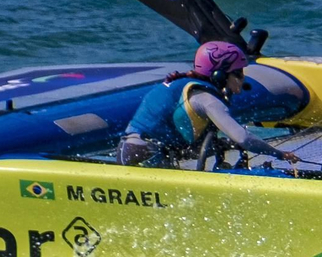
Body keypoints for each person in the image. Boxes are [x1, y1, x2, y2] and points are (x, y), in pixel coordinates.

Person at [120, 40, 299, 167]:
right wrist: (280, 154)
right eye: (237, 73)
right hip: (145, 154)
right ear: (219, 76)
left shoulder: (183, 85)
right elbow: (243, 138)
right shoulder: (205, 98)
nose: (242, 79)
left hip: (130, 150)